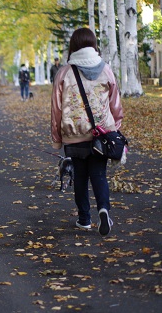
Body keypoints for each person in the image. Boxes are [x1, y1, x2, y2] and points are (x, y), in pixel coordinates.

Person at [51, 27, 124, 236]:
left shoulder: (64, 72)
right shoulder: (106, 69)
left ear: (73, 46)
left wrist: (57, 138)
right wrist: (115, 127)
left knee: (80, 177)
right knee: (99, 175)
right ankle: (103, 210)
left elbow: (56, 109)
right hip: (101, 135)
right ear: (93, 45)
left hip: (74, 136)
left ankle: (84, 219)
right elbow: (115, 102)